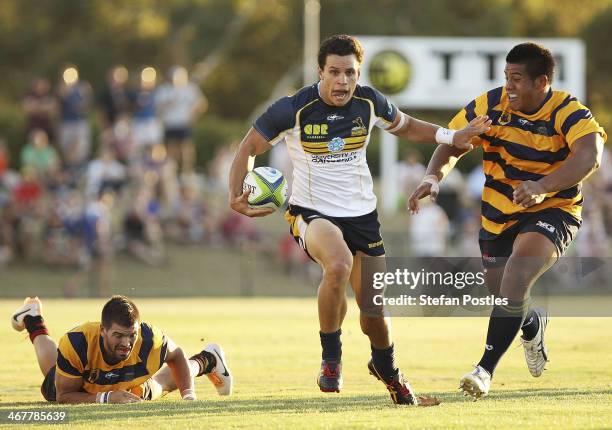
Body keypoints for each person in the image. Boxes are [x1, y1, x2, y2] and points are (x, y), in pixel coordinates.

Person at [228, 34, 490, 405]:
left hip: (363, 217)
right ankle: (331, 358)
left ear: (358, 73)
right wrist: (234, 195)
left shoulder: (369, 102)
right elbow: (248, 147)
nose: (342, 81)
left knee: (374, 315)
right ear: (320, 71)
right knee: (337, 264)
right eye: (334, 72)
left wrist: (453, 135)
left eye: (350, 72)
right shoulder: (292, 109)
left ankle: (390, 373)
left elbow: (407, 126)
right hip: (311, 212)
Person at [408, 42, 607, 400]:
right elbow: (454, 143)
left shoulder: (568, 111)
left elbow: (589, 156)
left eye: (516, 79)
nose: (508, 86)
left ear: (541, 82)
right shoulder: (490, 105)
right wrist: (432, 178)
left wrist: (544, 187)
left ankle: (483, 370)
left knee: (517, 276)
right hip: (499, 214)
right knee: (505, 296)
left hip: (554, 208)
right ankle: (532, 323)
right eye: (506, 77)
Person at [11, 295, 233, 403]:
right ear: (102, 331)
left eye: (131, 335)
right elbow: (64, 395)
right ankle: (33, 319)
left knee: (158, 384)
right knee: (53, 378)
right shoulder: (78, 342)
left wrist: (189, 396)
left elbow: (176, 356)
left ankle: (208, 360)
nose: (126, 343)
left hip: (128, 384)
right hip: (84, 384)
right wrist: (106, 398)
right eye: (118, 335)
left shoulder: (149, 338)